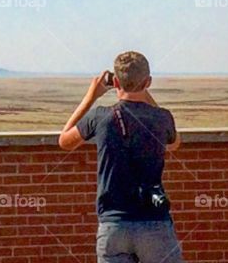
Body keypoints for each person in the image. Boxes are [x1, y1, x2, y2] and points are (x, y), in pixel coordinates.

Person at [58, 50, 186, 263]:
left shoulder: (100, 116)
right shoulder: (162, 118)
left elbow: (64, 141)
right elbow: (174, 144)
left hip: (113, 225)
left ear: (115, 82)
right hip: (155, 223)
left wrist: (92, 95)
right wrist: (144, 93)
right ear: (149, 82)